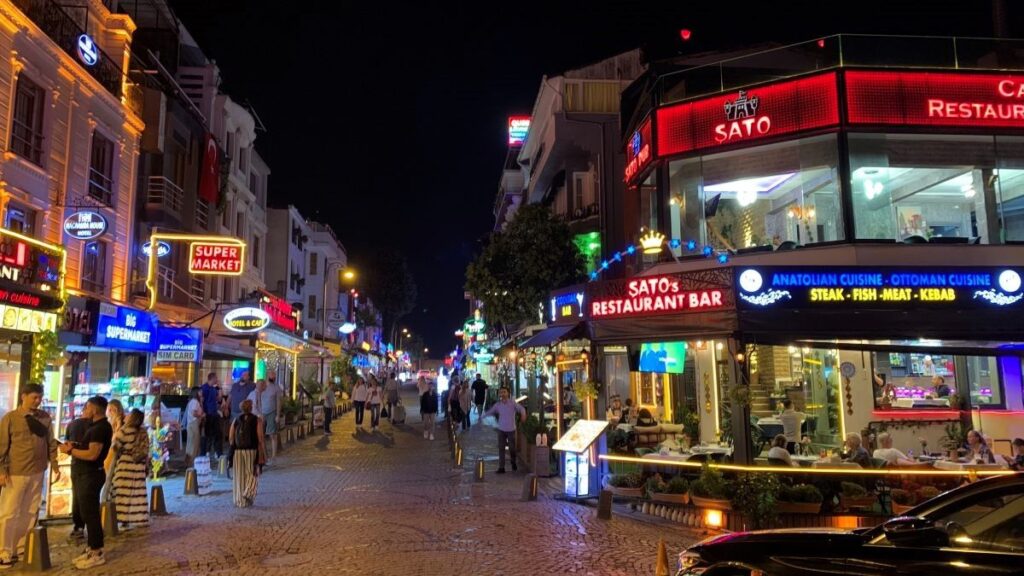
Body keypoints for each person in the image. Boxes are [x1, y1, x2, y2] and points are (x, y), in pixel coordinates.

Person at [0, 383, 60, 570]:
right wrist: (1, 471)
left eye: (40, 397)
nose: (37, 401)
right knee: (9, 512)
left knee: (30, 511)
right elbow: (2, 446)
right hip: (16, 472)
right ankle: (4, 551)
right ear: (23, 397)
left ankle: (20, 547)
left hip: (38, 471)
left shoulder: (44, 418)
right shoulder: (11, 418)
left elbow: (50, 442)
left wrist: (55, 464)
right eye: (34, 397)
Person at [59, 396, 113, 569]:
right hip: (85, 474)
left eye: (87, 407)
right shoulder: (95, 426)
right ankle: (91, 548)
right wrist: (74, 446)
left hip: (91, 475)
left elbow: (92, 454)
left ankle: (97, 551)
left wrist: (71, 450)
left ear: (95, 409)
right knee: (86, 511)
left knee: (91, 514)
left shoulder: (100, 428)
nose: (85, 410)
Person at [109, 409, 148, 529]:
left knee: (122, 493)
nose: (126, 415)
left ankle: (122, 519)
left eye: (129, 414)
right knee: (137, 493)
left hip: (125, 466)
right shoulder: (143, 432)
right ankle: (139, 517)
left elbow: (115, 447)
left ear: (132, 418)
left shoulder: (124, 431)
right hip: (138, 466)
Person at [229, 400, 265, 508]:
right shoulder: (256, 420)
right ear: (251, 408)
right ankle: (248, 493)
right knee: (252, 474)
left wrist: (233, 448)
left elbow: (231, 437)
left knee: (239, 476)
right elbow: (260, 438)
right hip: (251, 450)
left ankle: (239, 501)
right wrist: (263, 452)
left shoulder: (236, 420)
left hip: (238, 451)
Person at [482, 388, 526, 474]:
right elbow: (490, 411)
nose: (502, 394)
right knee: (501, 449)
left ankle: (513, 461)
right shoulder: (498, 405)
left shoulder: (512, 403)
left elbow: (521, 409)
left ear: (508, 393)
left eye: (504, 392)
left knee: (512, 448)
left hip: (511, 430)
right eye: (501, 392)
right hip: (501, 430)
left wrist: (523, 415)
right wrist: (482, 417)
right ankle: (501, 467)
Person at [64, 415, 89, 542]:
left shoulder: (73, 424)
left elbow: (66, 442)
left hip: (77, 464)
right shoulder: (97, 426)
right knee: (89, 498)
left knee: (77, 497)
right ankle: (90, 527)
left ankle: (79, 526)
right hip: (92, 467)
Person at [200, 373, 223, 458]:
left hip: (214, 413)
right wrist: (203, 413)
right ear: (212, 378)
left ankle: (218, 452)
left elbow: (219, 398)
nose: (217, 380)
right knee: (207, 434)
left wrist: (220, 388)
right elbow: (201, 401)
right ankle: (206, 451)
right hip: (208, 414)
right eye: (216, 378)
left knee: (217, 433)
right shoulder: (204, 388)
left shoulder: (214, 389)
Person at [103, 399, 124, 475]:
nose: (107, 413)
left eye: (108, 410)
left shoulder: (118, 423)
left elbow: (115, 440)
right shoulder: (117, 422)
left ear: (114, 410)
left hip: (114, 457)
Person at [183, 387, 203, 466]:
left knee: (190, 443)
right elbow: (194, 413)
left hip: (191, 424)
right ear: (197, 393)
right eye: (200, 391)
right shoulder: (195, 402)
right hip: (193, 424)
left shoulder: (192, 401)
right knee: (194, 443)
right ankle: (192, 462)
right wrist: (201, 415)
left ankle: (188, 461)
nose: (201, 393)